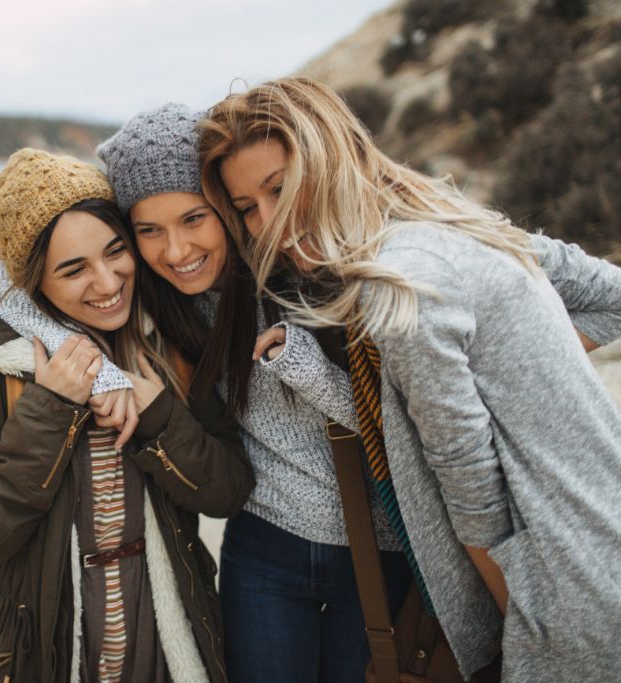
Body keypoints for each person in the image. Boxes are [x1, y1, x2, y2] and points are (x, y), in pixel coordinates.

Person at [199, 77, 621, 682]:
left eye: (281, 187)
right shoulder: (451, 226)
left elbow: (472, 495)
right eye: (247, 208)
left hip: (561, 598)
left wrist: (522, 633)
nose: (271, 224)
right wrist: (500, 368)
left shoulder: (400, 286)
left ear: (332, 157)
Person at [0, 104, 414, 683]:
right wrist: (99, 376)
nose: (176, 251)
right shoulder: (163, 300)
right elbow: (2, 278)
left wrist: (303, 366)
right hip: (262, 548)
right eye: (148, 231)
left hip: (374, 547)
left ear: (228, 210)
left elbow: (407, 427)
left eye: (194, 219)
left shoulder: (310, 274)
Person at [0, 148, 254, 683]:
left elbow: (227, 490)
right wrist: (52, 406)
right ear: (32, 282)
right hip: (39, 642)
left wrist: (156, 411)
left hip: (161, 630)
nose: (109, 283)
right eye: (73, 269)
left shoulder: (170, 342)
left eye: (116, 252)